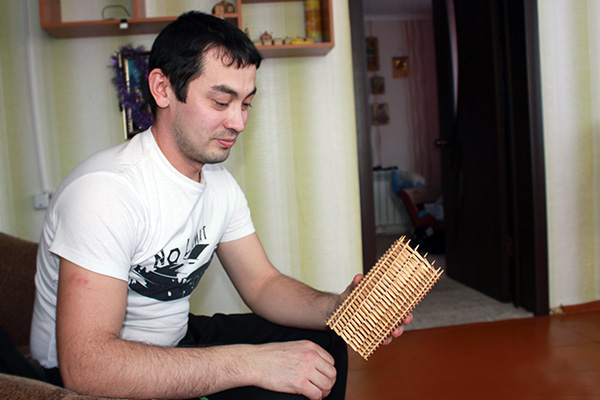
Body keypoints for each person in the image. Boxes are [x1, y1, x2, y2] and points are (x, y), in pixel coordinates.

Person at [30, 11, 412, 400]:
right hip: (93, 374)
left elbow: (262, 284)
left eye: (246, 104)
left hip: (173, 340)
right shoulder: (105, 192)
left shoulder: (219, 185)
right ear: (162, 89)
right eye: (221, 101)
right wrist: (251, 363)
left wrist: (339, 307)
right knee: (276, 380)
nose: (239, 122)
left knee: (322, 344)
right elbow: (87, 367)